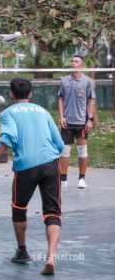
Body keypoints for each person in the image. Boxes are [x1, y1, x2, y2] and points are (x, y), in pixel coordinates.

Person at [0, 78, 64, 275]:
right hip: (50, 163)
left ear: (11, 95)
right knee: (52, 213)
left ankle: (22, 252)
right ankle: (51, 258)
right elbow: (59, 144)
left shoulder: (7, 113)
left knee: (19, 208)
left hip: (26, 167)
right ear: (30, 94)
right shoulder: (43, 111)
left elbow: (9, 138)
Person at [58, 55, 96, 188]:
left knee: (82, 151)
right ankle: (63, 179)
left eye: (76, 61)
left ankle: (82, 179)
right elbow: (61, 99)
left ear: (82, 65)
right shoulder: (64, 81)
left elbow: (91, 100)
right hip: (67, 122)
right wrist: (62, 116)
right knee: (64, 152)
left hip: (82, 122)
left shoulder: (87, 82)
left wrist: (90, 119)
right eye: (72, 61)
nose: (73, 63)